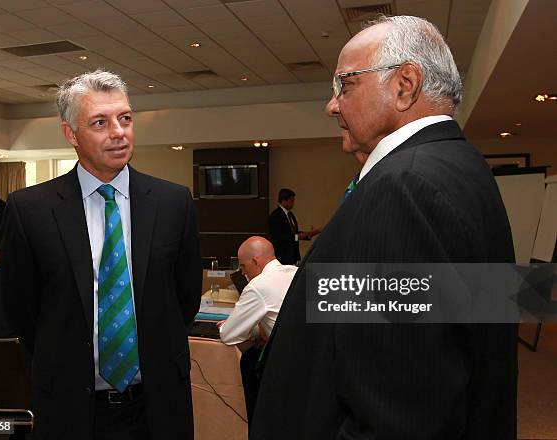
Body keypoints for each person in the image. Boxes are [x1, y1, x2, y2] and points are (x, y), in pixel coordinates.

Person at [251, 15, 517, 440]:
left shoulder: (405, 188)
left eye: (345, 84)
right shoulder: (457, 166)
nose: (332, 104)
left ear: (404, 85)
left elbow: (399, 411)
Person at [0, 70, 202, 440]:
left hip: (157, 406)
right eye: (100, 122)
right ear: (71, 134)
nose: (118, 132)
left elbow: (184, 299)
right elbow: (21, 310)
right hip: (69, 408)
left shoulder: (175, 203)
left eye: (125, 118)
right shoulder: (30, 210)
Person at [218, 236, 297, 425]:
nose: (243, 274)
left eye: (244, 267)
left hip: (284, 369)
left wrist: (250, 330)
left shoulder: (258, 285)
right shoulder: (295, 271)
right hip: (314, 364)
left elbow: (229, 334)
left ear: (255, 261)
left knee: (249, 361)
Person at [268, 188, 320, 265]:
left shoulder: (290, 215)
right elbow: (277, 237)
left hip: (293, 256)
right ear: (284, 201)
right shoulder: (275, 216)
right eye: (291, 201)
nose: (293, 203)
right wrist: (297, 237)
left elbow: (293, 233)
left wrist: (308, 234)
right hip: (282, 256)